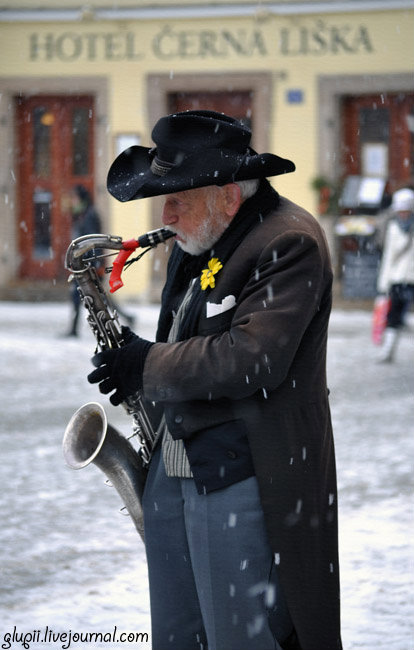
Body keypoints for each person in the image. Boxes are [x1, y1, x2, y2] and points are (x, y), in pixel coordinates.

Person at [88, 110, 343, 650]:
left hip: (243, 473)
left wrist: (147, 363)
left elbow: (252, 357)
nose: (166, 210)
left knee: (238, 636)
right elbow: (182, 336)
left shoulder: (289, 241)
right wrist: (132, 366)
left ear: (228, 193)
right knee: (178, 635)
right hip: (175, 464)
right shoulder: (199, 236)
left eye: (179, 194)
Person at [64, 184, 135, 336]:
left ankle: (74, 329)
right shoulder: (81, 214)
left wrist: (96, 264)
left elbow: (93, 242)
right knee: (91, 296)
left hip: (88, 265)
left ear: (81, 198)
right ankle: (127, 317)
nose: (72, 201)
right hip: (82, 264)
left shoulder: (89, 215)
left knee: (92, 297)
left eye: (74, 198)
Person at [376, 187, 414, 362]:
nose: (403, 214)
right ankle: (388, 352)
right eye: (401, 211)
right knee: (394, 317)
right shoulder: (392, 228)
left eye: (406, 210)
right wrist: (384, 285)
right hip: (398, 280)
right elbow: (388, 257)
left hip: (411, 278)